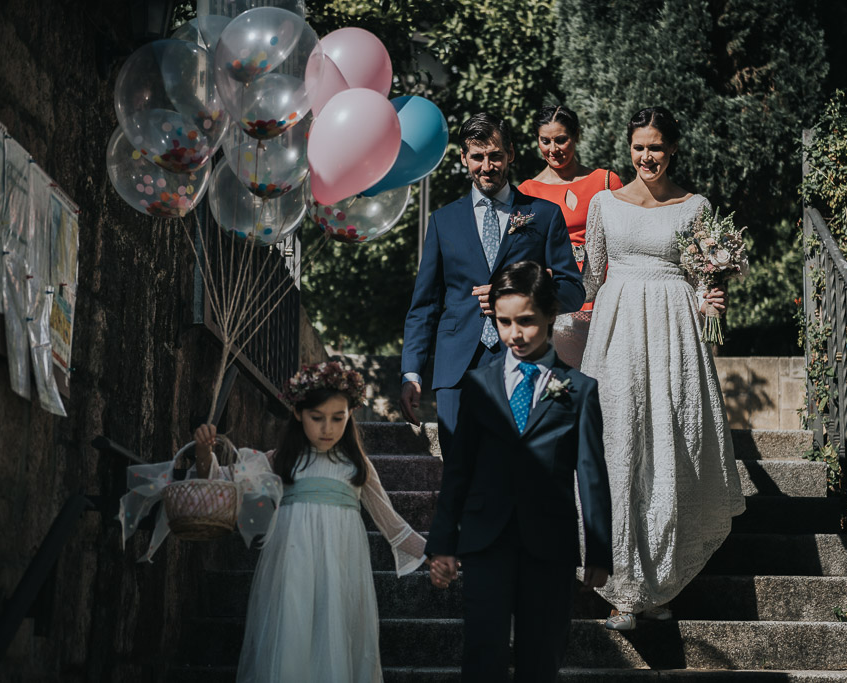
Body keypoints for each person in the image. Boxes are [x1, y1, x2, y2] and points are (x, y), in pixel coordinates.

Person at [578, 107, 746, 631]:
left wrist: (714, 296)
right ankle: (622, 589)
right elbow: (589, 281)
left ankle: (658, 582)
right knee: (618, 445)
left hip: (674, 333)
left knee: (670, 443)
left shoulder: (695, 206)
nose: (646, 157)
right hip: (617, 332)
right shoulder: (604, 203)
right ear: (627, 149)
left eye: (655, 147)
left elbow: (702, 279)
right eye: (638, 147)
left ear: (672, 149)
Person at [426, 260, 613, 683]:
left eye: (527, 321)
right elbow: (458, 469)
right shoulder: (478, 384)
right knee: (482, 653)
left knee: (541, 657)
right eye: (506, 322)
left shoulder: (580, 389)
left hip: (550, 545)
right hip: (484, 538)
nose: (516, 334)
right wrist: (443, 543)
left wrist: (599, 551)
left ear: (550, 316)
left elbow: (591, 473)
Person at [193, 362, 427, 682]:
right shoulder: (282, 459)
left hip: (343, 567)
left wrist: (438, 550)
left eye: (338, 418)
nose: (327, 429)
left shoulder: (357, 465)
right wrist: (205, 453)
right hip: (292, 562)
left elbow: (393, 526)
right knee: (292, 630)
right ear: (298, 414)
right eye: (317, 418)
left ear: (350, 415)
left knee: (337, 632)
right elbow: (222, 481)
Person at [400, 112, 585, 454]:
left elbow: (574, 290)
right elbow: (425, 305)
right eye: (477, 156)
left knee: (520, 471)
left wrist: (522, 297)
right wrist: (411, 371)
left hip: (525, 360)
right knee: (460, 475)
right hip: (457, 370)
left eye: (495, 155)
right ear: (463, 158)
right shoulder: (442, 221)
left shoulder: (543, 215)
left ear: (511, 154)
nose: (487, 166)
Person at [518, 105, 624, 368]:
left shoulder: (606, 182)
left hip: (605, 296)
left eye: (561, 139)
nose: (553, 149)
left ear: (576, 135)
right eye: (545, 141)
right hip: (557, 299)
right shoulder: (527, 191)